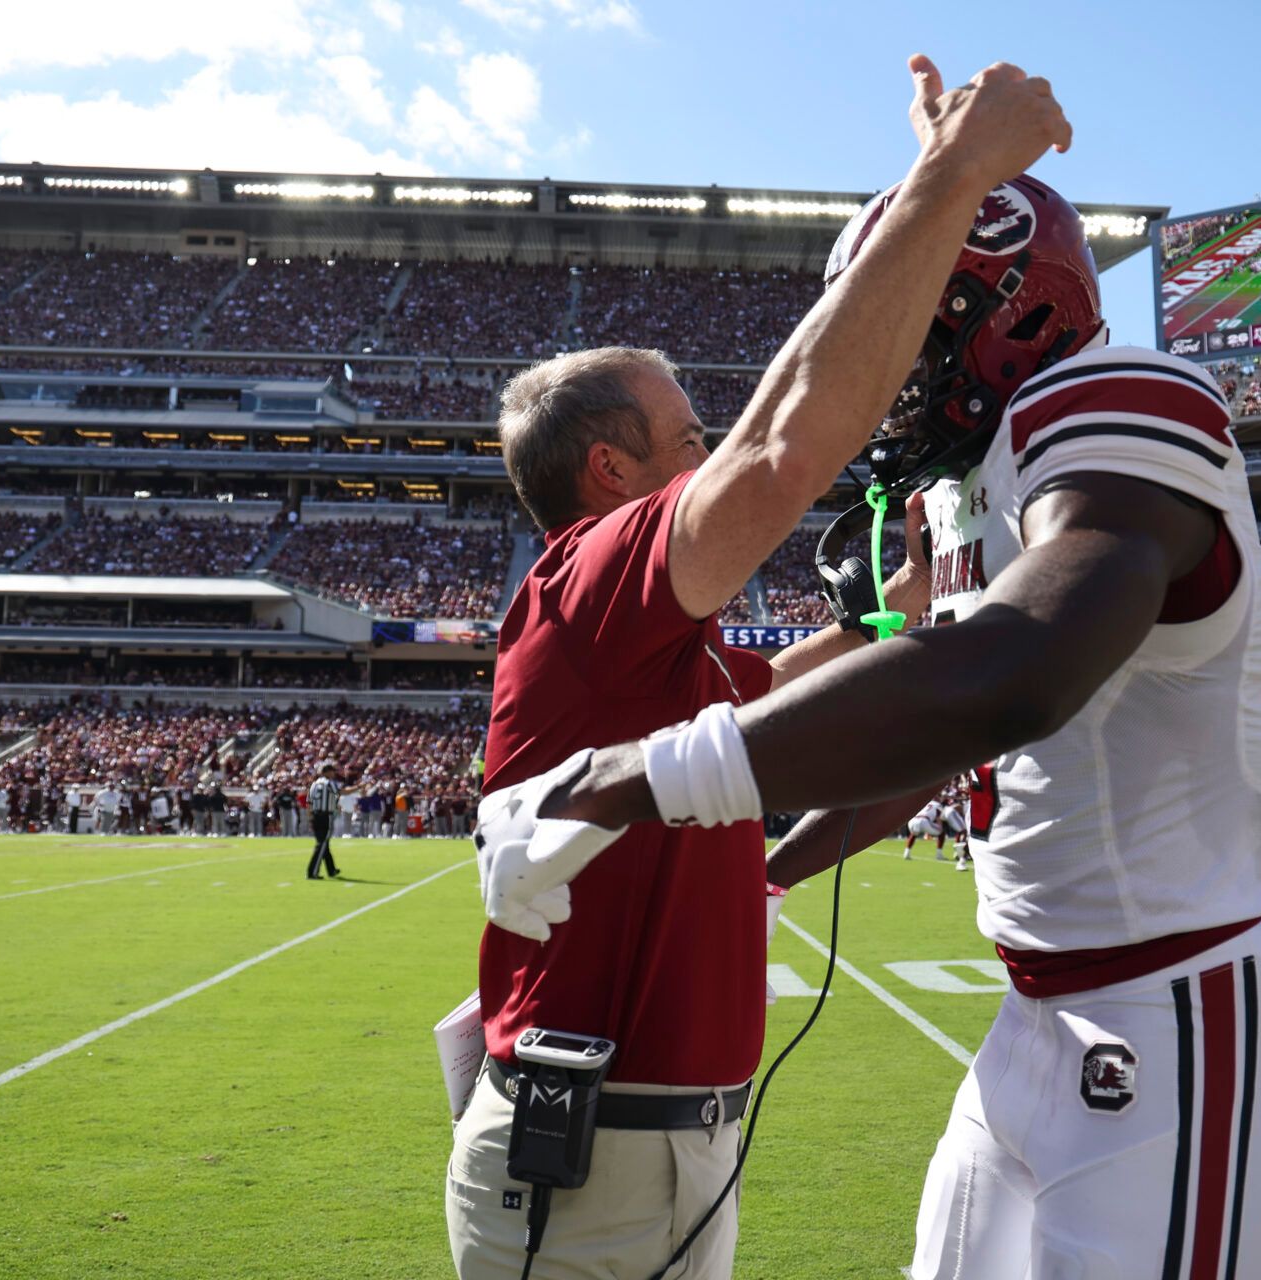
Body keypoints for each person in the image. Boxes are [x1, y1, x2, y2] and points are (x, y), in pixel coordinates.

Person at [515, 162, 1261, 1276]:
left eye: (908, 334)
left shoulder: (1114, 395)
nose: (886, 374)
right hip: (1033, 1005)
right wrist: (778, 868)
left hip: (1170, 1008)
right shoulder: (967, 482)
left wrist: (653, 772)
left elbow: (1016, 671)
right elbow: (949, 738)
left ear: (1009, 314)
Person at [451, 56, 1071, 1280]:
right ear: (611, 479)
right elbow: (782, 448)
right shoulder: (586, 582)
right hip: (589, 1156)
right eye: (687, 441)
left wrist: (896, 619)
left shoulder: (642, 652)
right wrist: (948, 178)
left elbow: (784, 685)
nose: (709, 455)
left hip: (658, 1146)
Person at [306, 762, 342, 879]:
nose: (333, 774)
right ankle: (312, 872)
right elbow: (340, 792)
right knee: (322, 844)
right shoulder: (329, 783)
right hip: (325, 816)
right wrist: (357, 788)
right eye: (332, 771)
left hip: (316, 816)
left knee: (324, 844)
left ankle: (331, 870)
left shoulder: (314, 784)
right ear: (327, 772)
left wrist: (310, 817)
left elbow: (309, 803)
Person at [902, 795, 946, 860]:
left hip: (913, 820)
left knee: (913, 834)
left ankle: (906, 853)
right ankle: (939, 854)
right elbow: (938, 817)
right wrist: (940, 826)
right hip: (924, 821)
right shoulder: (937, 804)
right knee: (942, 832)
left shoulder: (925, 803)